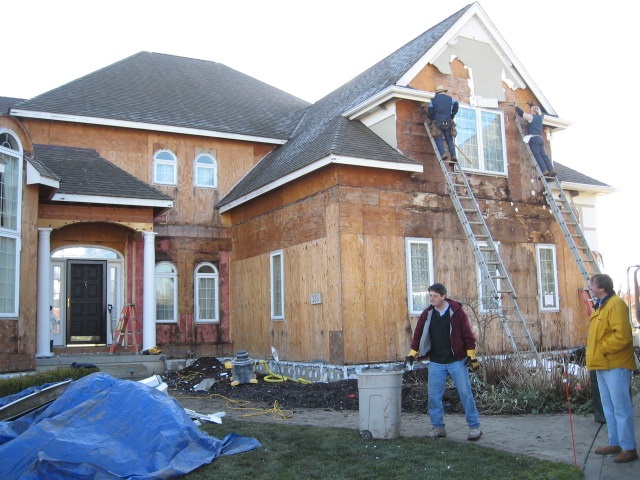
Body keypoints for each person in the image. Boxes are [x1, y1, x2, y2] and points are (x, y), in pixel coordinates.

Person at [404, 283, 482, 441]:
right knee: (433, 396)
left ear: (443, 296)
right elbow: (418, 335)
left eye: (434, 296)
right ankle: (438, 427)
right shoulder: (428, 314)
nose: (431, 299)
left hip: (456, 361)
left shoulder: (457, 312)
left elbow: (468, 335)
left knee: (465, 394)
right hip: (436, 362)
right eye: (430, 296)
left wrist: (471, 356)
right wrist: (412, 353)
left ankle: (474, 427)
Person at [586, 273, 638, 463]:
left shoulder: (615, 304)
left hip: (615, 364)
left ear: (601, 287)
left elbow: (622, 336)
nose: (590, 287)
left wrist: (602, 349)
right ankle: (615, 442)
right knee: (609, 407)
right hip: (602, 363)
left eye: (592, 284)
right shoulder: (601, 306)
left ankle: (629, 448)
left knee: (620, 407)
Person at [514, 104, 555, 177]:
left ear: (533, 111)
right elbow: (537, 110)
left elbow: (522, 114)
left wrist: (516, 106)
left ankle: (544, 171)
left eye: (531, 110)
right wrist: (531, 105)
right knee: (544, 155)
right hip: (540, 139)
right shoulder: (540, 117)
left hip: (534, 139)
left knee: (537, 155)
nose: (530, 112)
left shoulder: (531, 117)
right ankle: (551, 170)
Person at [427, 85, 459, 163]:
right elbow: (456, 104)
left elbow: (430, 111)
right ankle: (453, 155)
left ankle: (443, 154)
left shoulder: (433, 100)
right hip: (448, 122)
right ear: (444, 92)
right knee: (449, 140)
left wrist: (432, 119)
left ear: (437, 93)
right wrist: (452, 114)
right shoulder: (450, 99)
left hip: (438, 122)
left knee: (438, 139)